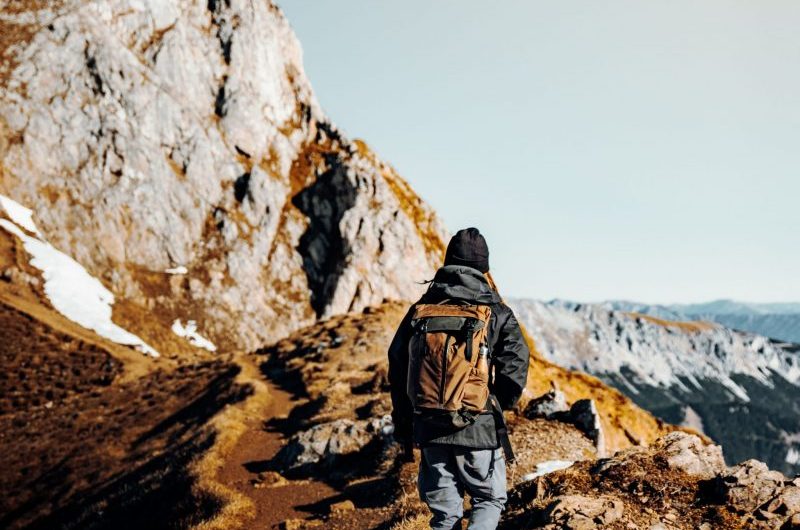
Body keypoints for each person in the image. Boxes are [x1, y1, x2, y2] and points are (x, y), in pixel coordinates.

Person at [388, 227, 530, 530]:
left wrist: (405, 424)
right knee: (488, 501)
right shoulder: (496, 311)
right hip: (477, 427)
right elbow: (515, 366)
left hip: (429, 426)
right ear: (484, 268)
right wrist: (494, 406)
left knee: (444, 514)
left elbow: (397, 363)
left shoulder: (422, 309)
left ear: (448, 261)